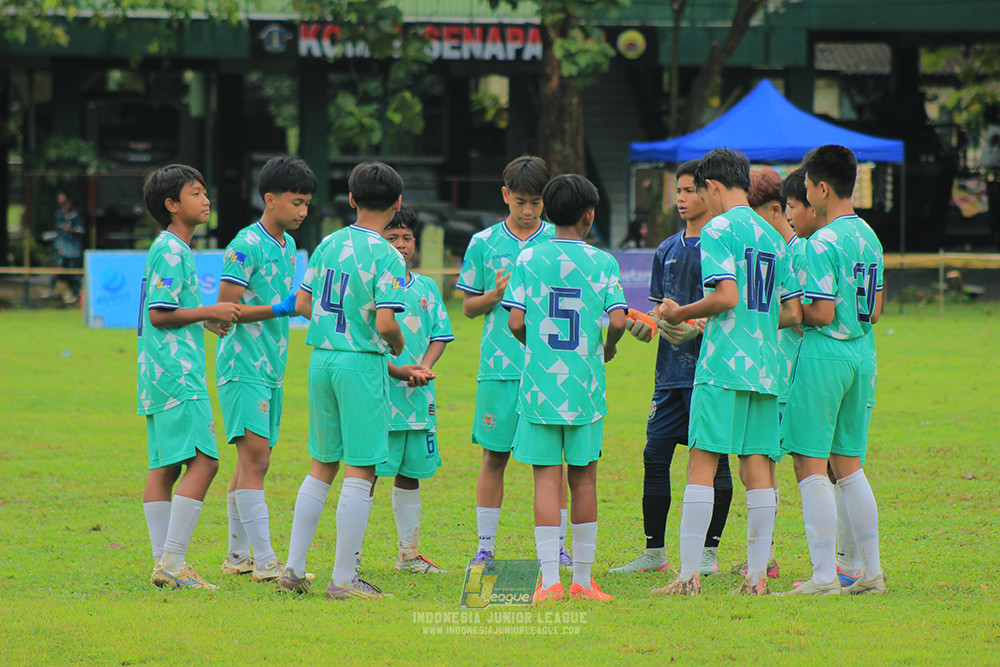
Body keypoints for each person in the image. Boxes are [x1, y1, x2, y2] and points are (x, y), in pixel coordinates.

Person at [276, 161, 430, 600]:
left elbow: (302, 304)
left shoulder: (328, 243)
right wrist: (397, 344)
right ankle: (343, 579)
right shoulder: (388, 255)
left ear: (352, 199)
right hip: (360, 365)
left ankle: (293, 568)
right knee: (360, 469)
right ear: (397, 203)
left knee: (322, 464)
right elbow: (385, 322)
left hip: (321, 358)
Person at [653, 148, 802, 596]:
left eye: (701, 192)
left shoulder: (718, 228)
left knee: (701, 462)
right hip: (766, 366)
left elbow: (726, 297)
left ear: (712, 188)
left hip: (721, 365)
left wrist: (681, 313)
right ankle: (757, 578)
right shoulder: (775, 235)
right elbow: (793, 312)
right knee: (757, 466)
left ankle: (687, 576)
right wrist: (749, 323)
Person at [503, 174, 627, 601]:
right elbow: (617, 320)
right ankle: (583, 580)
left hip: (539, 384)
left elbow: (515, 321)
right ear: (590, 215)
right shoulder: (603, 263)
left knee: (544, 480)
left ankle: (550, 581)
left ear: (548, 212)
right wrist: (607, 349)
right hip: (585, 386)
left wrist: (533, 345)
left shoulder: (528, 258)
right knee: (585, 479)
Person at [611, 159, 735, 578]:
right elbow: (660, 309)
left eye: (688, 190)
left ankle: (708, 554)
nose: (680, 198)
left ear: (707, 191)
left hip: (710, 373)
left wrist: (696, 326)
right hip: (668, 376)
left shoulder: (721, 244)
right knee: (654, 455)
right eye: (677, 191)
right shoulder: (665, 249)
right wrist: (645, 326)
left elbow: (729, 307)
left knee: (715, 462)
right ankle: (654, 553)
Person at [781, 145, 886, 595]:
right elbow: (877, 310)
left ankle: (824, 576)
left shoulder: (821, 242)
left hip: (825, 354)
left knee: (809, 461)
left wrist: (786, 310)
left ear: (822, 188)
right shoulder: (869, 236)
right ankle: (872, 572)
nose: (805, 195)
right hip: (863, 352)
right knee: (849, 465)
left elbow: (820, 313)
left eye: (805, 188)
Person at [456, 156, 571, 566]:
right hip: (499, 368)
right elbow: (468, 307)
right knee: (494, 456)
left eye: (536, 203)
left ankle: (558, 549)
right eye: (520, 201)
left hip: (549, 368)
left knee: (552, 461)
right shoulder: (483, 243)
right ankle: (485, 548)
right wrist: (495, 295)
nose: (527, 211)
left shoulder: (558, 242)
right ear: (505, 195)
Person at [139, 164, 240, 589]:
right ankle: (174, 564)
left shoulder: (173, 248)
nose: (206, 200)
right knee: (206, 460)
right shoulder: (172, 250)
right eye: (196, 193)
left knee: (164, 466)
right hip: (177, 373)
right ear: (171, 204)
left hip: (156, 373)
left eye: (205, 192)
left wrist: (203, 321)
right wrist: (211, 311)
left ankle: (164, 565)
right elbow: (159, 314)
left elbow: (172, 310)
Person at [216, 156, 316, 583]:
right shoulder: (245, 244)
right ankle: (266, 561)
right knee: (256, 459)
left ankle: (237, 555)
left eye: (307, 203)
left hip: (272, 367)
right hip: (242, 366)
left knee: (251, 462)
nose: (302, 212)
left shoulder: (289, 247)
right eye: (296, 202)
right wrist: (280, 307)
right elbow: (222, 312)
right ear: (270, 199)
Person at [373, 204, 454, 574]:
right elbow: (365, 342)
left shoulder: (426, 287)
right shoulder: (371, 284)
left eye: (407, 237)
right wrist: (396, 370)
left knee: (411, 472)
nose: (401, 244)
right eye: (393, 237)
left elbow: (440, 334)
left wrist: (424, 368)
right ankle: (351, 558)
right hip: (380, 395)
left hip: (419, 395)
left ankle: (408, 554)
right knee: (368, 471)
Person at [49, 189, 85, 304]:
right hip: (61, 247)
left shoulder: (75, 216)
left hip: (72, 248)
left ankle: (76, 293)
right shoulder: (59, 214)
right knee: (58, 269)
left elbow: (80, 230)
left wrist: (70, 229)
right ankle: (56, 291)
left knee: (73, 272)